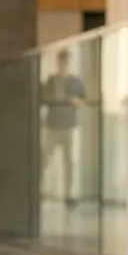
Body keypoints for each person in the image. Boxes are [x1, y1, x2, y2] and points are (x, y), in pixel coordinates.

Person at [40, 49, 86, 206]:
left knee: (70, 162)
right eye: (61, 61)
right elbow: (43, 98)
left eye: (66, 61)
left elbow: (83, 99)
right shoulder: (50, 81)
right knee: (44, 160)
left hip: (69, 125)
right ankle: (38, 190)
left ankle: (69, 194)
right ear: (58, 62)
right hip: (53, 125)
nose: (63, 64)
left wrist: (75, 102)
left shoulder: (76, 81)